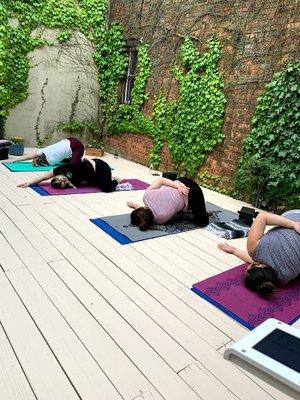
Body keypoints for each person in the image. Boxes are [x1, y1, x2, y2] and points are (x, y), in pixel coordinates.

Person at [218, 210, 300, 296]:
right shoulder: (254, 249)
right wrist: (293, 224)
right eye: (247, 268)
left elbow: (256, 262)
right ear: (258, 265)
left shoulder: (284, 279)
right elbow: (263, 216)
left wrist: (235, 251)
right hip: (295, 217)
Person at [127, 176, 210, 230]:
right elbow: (161, 180)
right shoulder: (146, 196)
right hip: (182, 181)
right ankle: (199, 210)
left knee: (202, 222)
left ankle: (202, 212)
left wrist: (179, 188)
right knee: (186, 211)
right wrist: (178, 186)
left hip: (192, 192)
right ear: (142, 209)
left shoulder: (159, 219)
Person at [17, 158, 118, 192]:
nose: (65, 181)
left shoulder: (61, 169)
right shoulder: (70, 181)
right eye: (64, 184)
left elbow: (44, 177)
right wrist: (30, 184)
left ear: (58, 175)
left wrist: (29, 183)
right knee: (93, 183)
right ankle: (105, 179)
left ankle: (115, 180)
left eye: (63, 180)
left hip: (100, 167)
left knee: (106, 189)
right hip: (92, 174)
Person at [7, 137, 84, 166]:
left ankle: (83, 161)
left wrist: (16, 160)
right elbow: (29, 156)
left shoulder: (52, 162)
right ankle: (81, 160)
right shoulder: (43, 151)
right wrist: (15, 160)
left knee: (74, 164)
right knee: (66, 160)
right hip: (69, 140)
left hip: (77, 147)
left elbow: (71, 166)